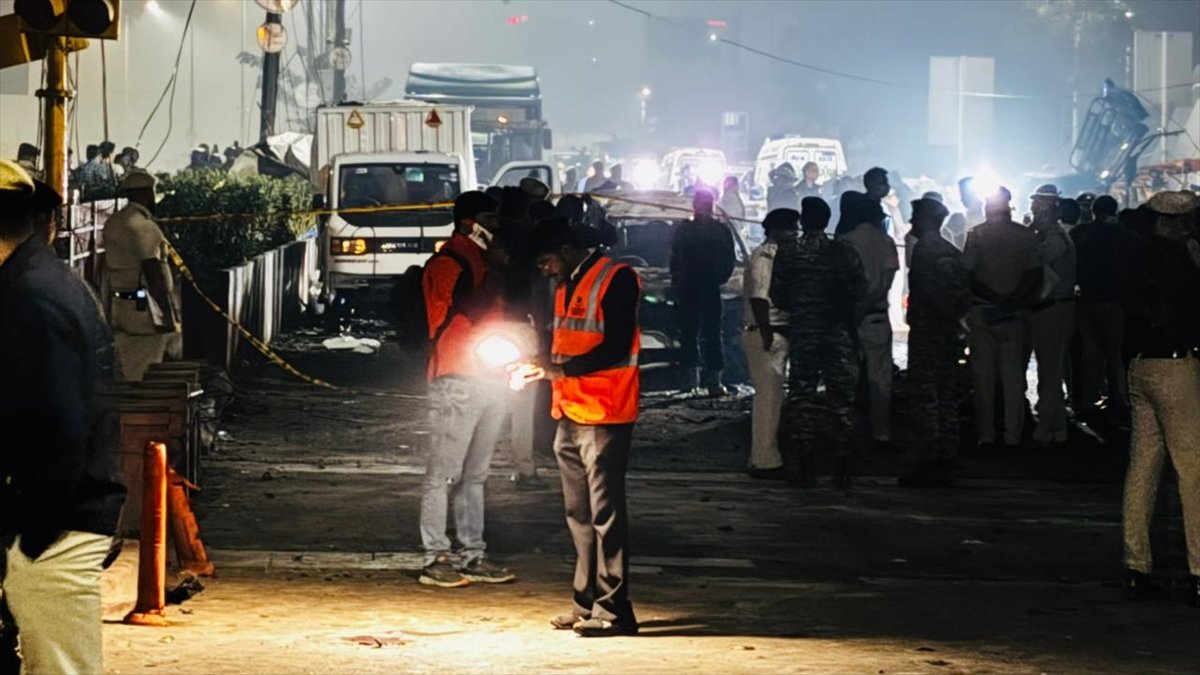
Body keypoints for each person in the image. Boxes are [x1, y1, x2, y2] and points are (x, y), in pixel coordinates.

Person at [0, 159, 126, 674]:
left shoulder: (26, 298)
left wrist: (30, 538)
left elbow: (61, 424)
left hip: (53, 530)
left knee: (60, 668)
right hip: (55, 521)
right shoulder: (38, 281)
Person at [527, 216, 643, 637]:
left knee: (606, 514)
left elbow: (614, 345)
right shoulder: (566, 283)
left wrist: (559, 370)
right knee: (579, 513)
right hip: (572, 411)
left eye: (545, 260)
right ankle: (586, 601)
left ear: (567, 248)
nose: (543, 269)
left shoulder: (616, 279)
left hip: (606, 411)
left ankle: (614, 609)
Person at [416, 191, 516, 588]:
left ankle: (473, 554)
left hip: (487, 377)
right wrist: (493, 272)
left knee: (474, 475)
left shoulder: (481, 261)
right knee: (443, 475)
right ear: (470, 222)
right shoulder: (450, 261)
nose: (497, 226)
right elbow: (462, 310)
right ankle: (435, 557)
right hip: (456, 379)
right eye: (490, 218)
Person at [1120, 190, 1200, 609]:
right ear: (1182, 221)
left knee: (1142, 467)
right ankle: (1199, 568)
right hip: (1174, 365)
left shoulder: (1135, 258)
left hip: (1140, 366)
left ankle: (1136, 563)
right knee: (1191, 469)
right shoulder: (1182, 261)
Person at [771, 196, 865, 488]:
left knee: (802, 396)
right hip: (836, 333)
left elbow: (778, 294)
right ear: (827, 221)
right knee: (841, 399)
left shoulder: (789, 252)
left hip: (804, 331)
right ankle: (842, 466)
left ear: (803, 220)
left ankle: (806, 464)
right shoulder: (843, 251)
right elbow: (859, 290)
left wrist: (802, 305)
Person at [962, 187, 1043, 450]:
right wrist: (1012, 298)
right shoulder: (1025, 235)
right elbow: (1034, 274)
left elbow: (968, 275)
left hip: (983, 312)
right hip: (1015, 313)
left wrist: (993, 297)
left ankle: (986, 434)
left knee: (983, 378)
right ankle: (1013, 434)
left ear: (987, 207)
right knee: (1013, 379)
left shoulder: (977, 236)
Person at [900, 197, 969, 487]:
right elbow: (961, 296)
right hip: (946, 332)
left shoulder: (926, 253)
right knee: (946, 397)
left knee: (926, 399)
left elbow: (930, 297)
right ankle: (946, 457)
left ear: (927, 220)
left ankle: (929, 460)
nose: (911, 222)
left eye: (916, 217)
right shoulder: (950, 251)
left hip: (929, 333)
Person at [104, 171, 180, 381]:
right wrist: (167, 316)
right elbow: (153, 272)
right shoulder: (144, 227)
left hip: (120, 305)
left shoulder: (114, 222)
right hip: (144, 311)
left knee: (127, 360)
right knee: (146, 368)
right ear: (147, 193)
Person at [838, 191, 899, 451]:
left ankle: (845, 430)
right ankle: (881, 433)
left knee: (846, 376)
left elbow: (839, 283)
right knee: (880, 377)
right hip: (876, 317)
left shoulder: (845, 241)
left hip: (849, 318)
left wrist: (854, 308)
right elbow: (888, 280)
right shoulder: (886, 242)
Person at [742, 208, 798, 480]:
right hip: (766, 331)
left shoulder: (778, 256)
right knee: (768, 397)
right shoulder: (763, 257)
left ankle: (764, 457)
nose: (794, 233)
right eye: (790, 228)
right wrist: (766, 333)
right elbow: (759, 298)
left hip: (773, 331)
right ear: (775, 230)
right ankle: (765, 460)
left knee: (772, 397)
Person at [670, 188, 736, 395]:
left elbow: (674, 259)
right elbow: (729, 261)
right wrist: (717, 279)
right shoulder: (719, 230)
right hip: (706, 287)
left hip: (693, 287)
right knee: (710, 333)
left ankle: (693, 380)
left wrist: (678, 281)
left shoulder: (685, 230)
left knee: (693, 332)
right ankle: (712, 381)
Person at [1070, 194, 1129, 419]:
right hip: (1113, 298)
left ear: (1093, 210)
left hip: (1085, 298)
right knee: (1114, 352)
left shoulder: (1079, 234)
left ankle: (1087, 400)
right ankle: (1118, 398)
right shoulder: (1119, 235)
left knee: (1089, 350)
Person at [1027, 185, 1077, 446]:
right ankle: (1057, 426)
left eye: (1037, 208)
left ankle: (1045, 426)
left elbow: (1034, 261)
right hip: (1056, 306)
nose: (1034, 212)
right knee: (1051, 368)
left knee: (1049, 369)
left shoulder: (1055, 239)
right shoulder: (1057, 235)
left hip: (1054, 307)